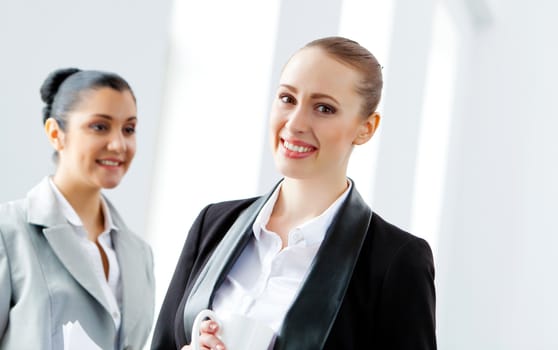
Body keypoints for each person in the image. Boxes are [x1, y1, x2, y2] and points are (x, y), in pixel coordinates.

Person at [151, 36, 436, 350]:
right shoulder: (215, 223)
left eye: (324, 108)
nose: (296, 123)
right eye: (287, 99)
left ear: (366, 128)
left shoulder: (395, 260)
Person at [0, 68, 155, 349]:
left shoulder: (139, 254)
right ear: (56, 133)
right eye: (100, 126)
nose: (119, 144)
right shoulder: (8, 231)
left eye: (129, 129)